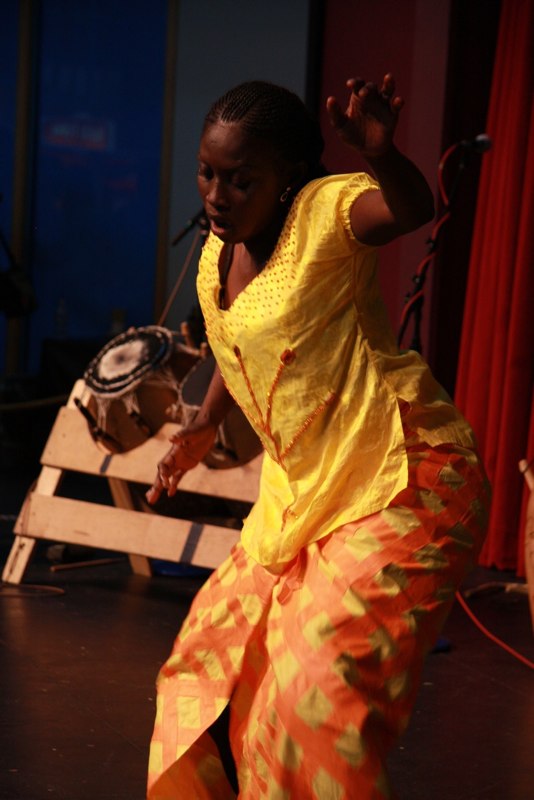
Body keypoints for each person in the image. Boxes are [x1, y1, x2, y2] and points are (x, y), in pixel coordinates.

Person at [146, 73, 490, 799]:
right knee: (203, 669)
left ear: (289, 178)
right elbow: (239, 338)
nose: (217, 195)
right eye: (207, 174)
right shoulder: (216, 249)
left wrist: (381, 155)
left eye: (242, 180)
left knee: (313, 692)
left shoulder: (324, 214)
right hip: (301, 496)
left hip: (400, 475)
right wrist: (205, 422)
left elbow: (410, 209)